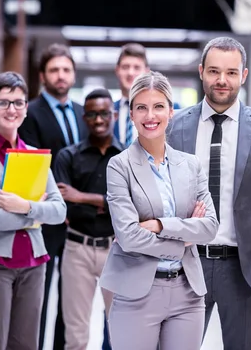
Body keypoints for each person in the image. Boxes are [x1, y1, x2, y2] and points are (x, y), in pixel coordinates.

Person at [167, 37, 251, 350]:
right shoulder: (175, 127)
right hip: (185, 265)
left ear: (244, 75)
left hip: (246, 270)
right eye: (214, 71)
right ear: (202, 72)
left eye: (231, 72)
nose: (222, 80)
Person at [100, 71, 219, 350]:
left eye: (158, 106)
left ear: (171, 111)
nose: (150, 115)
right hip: (137, 293)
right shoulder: (120, 166)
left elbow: (210, 226)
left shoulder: (191, 166)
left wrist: (161, 225)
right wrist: (184, 238)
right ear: (131, 114)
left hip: (187, 294)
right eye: (141, 107)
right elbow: (129, 237)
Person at [0, 72, 67, 350]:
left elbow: (58, 211)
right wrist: (37, 215)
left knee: (26, 345)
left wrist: (25, 207)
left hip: (34, 262)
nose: (13, 109)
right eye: (4, 103)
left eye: (19, 103)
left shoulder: (35, 154)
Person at [18, 43, 88, 350]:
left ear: (73, 74)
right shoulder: (30, 113)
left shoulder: (83, 113)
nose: (61, 76)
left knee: (71, 299)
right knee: (39, 295)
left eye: (66, 69)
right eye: (54, 70)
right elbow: (34, 165)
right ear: (42, 75)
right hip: (45, 221)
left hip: (79, 223)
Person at [55, 88, 123, 350]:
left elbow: (128, 206)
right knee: (76, 335)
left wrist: (82, 197)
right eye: (92, 114)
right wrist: (106, 203)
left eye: (104, 113)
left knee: (120, 329)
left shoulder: (127, 156)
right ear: (84, 117)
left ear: (114, 114)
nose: (98, 119)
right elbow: (64, 206)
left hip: (116, 251)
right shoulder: (67, 156)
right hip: (77, 250)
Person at [113, 43, 180, 148]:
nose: (130, 72)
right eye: (125, 67)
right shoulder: (108, 113)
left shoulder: (174, 110)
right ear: (117, 70)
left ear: (146, 71)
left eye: (136, 67)